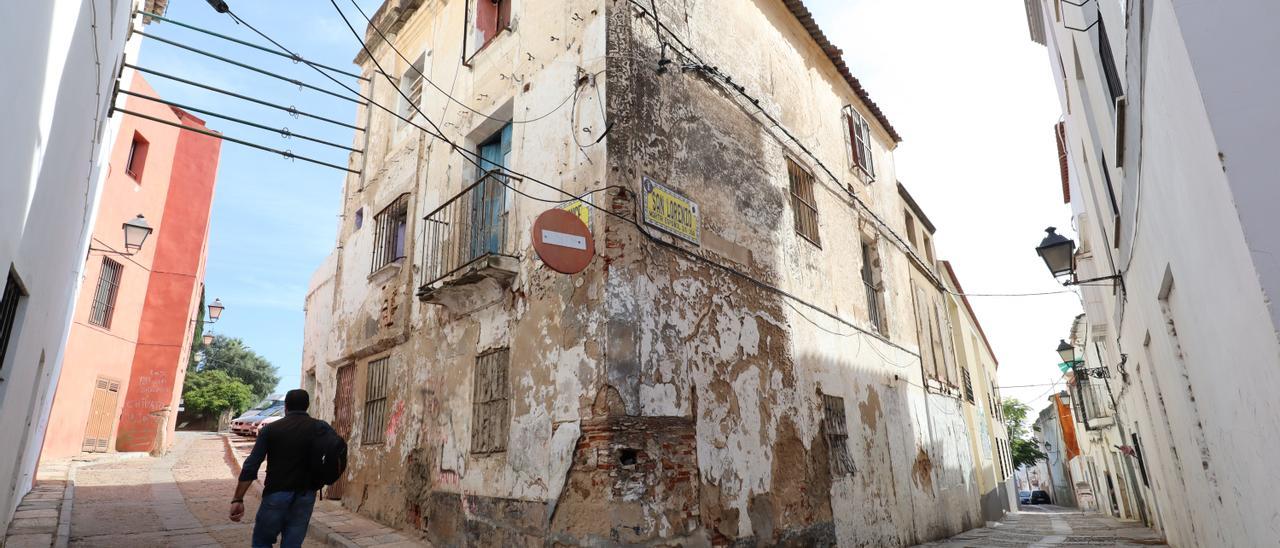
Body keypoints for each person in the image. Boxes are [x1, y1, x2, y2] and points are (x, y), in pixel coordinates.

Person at [230, 389, 334, 548]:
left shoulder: (270, 430)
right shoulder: (320, 427)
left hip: (276, 493)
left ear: (285, 406)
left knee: (262, 541)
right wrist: (325, 477)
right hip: (306, 495)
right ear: (307, 406)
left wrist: (238, 498)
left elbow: (251, 465)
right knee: (292, 544)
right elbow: (337, 450)